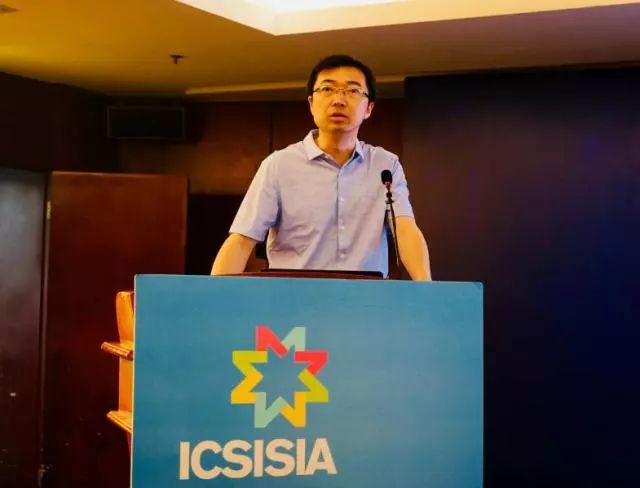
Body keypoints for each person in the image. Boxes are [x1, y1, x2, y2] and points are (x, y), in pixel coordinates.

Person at [211, 54, 431, 280]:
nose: (339, 100)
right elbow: (242, 239)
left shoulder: (385, 165)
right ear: (311, 104)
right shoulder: (278, 166)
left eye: (353, 90)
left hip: (366, 297)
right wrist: (213, 293)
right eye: (327, 89)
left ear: (369, 109)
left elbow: (405, 230)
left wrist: (427, 289)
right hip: (294, 295)